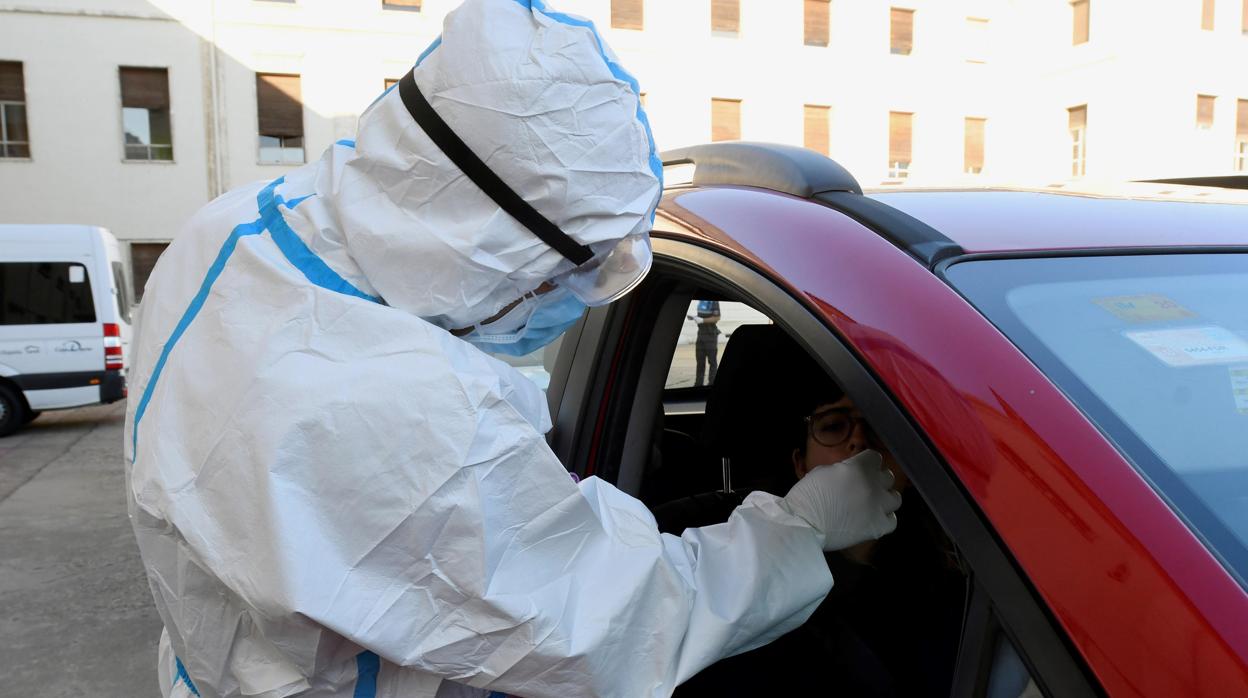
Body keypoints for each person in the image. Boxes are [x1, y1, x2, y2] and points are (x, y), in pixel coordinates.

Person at [125, 3, 902, 697]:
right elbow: (607, 627)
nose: (565, 302)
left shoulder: (239, 229)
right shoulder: (391, 404)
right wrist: (799, 529)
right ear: (489, 244)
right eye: (565, 276)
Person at [672, 381, 967, 696]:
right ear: (801, 465)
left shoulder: (955, 586)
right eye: (834, 426)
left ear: (908, 470)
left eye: (878, 425)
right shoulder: (748, 592)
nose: (859, 441)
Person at [690, 300, 721, 386]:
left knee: (712, 362)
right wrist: (695, 317)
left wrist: (702, 320)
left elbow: (717, 318)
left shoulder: (713, 302)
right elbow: (702, 316)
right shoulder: (701, 301)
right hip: (700, 335)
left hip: (710, 335)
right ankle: (698, 384)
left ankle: (712, 383)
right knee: (700, 362)